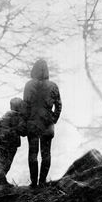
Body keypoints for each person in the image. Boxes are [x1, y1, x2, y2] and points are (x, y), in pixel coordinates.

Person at [23, 59, 62, 187]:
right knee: (46, 153)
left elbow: (25, 105)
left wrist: (26, 120)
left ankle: (34, 182)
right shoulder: (53, 86)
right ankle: (42, 181)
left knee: (33, 153)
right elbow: (59, 105)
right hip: (47, 123)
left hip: (32, 123)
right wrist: (53, 119)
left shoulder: (28, 85)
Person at [0, 97, 26, 185]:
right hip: (11, 143)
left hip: (0, 143)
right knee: (7, 162)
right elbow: (23, 132)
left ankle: (1, 180)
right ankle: (1, 180)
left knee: (1, 161)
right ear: (19, 107)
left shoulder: (3, 117)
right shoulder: (18, 117)